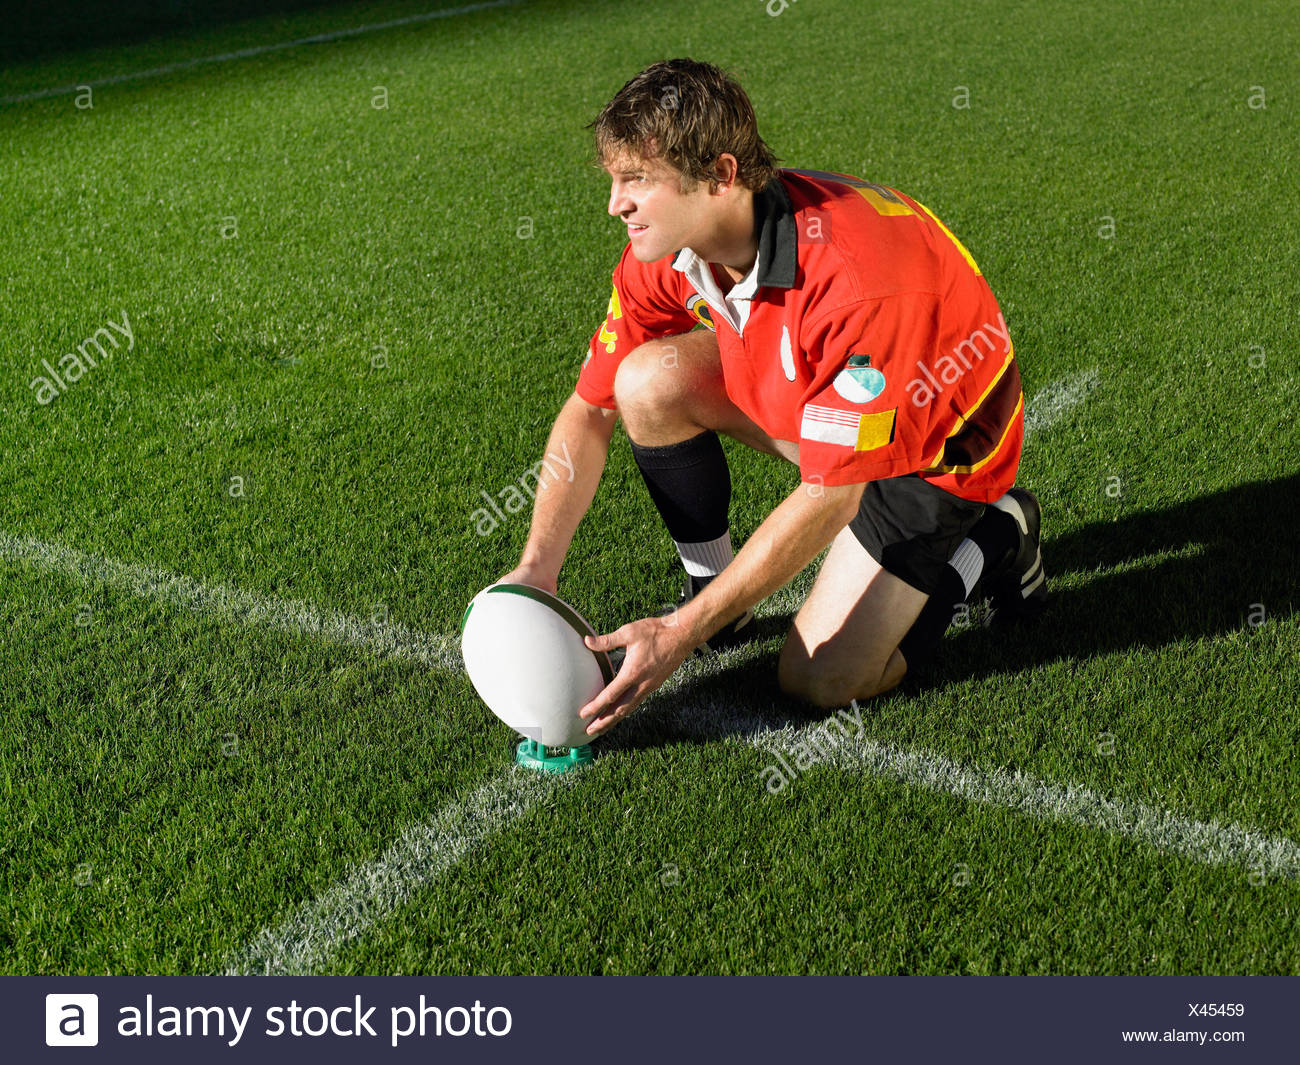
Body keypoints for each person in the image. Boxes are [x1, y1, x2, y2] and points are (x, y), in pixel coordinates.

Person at [498, 58, 1046, 739]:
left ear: (722, 176)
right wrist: (535, 569)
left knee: (820, 679)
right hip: (828, 405)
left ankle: (997, 532)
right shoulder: (673, 251)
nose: (616, 203)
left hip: (938, 447)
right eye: (614, 179)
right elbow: (592, 408)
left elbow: (832, 493)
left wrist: (675, 636)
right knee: (644, 379)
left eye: (636, 180)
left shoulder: (855, 283)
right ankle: (716, 599)